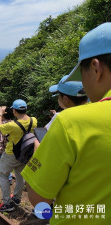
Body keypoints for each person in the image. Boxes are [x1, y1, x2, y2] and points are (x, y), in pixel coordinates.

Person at [21, 22, 111, 225]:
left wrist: (38, 150)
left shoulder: (70, 122)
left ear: (96, 69)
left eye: (83, 74)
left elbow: (38, 199)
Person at [0, 99, 37, 212]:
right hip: (25, 154)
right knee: (20, 176)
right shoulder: (34, 120)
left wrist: (0, 113)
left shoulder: (12, 125)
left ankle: (7, 203)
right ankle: (17, 198)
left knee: (3, 175)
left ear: (14, 111)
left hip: (11, 154)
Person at [0, 114, 13, 184]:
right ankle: (9, 178)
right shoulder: (13, 123)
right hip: (12, 149)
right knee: (9, 164)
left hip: (3, 149)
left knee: (0, 163)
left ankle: (0, 179)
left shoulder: (1, 124)